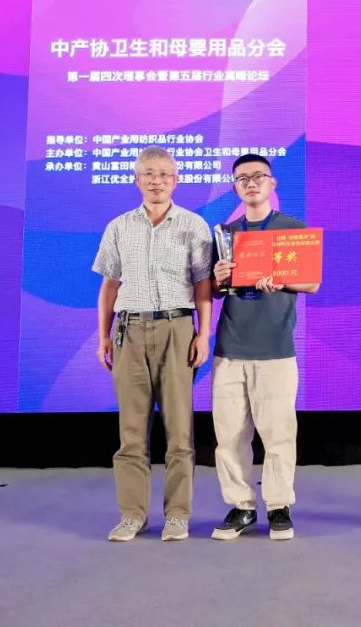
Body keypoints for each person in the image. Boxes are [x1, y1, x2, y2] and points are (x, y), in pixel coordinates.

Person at [92, 146, 213, 542]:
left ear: (175, 180)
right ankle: (133, 514)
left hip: (177, 330)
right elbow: (109, 285)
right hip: (129, 331)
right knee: (131, 431)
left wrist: (203, 334)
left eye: (163, 174)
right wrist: (103, 336)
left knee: (179, 431)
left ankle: (177, 514)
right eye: (148, 173)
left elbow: (203, 286)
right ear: (136, 179)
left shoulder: (193, 225)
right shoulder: (118, 227)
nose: (156, 180)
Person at [208, 154, 319, 541]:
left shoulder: (293, 229)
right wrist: (218, 277)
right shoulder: (225, 234)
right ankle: (241, 505)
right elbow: (213, 291)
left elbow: (312, 284)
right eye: (243, 178)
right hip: (230, 348)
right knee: (229, 436)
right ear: (235, 188)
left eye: (259, 176)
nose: (251, 183)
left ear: (272, 184)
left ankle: (278, 506)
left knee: (278, 434)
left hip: (275, 348)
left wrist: (281, 281)